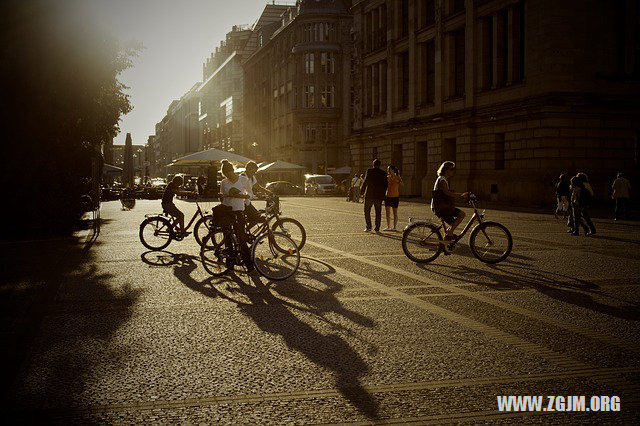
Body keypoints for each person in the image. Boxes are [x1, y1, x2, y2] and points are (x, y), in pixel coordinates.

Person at [220, 160, 257, 275]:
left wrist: (244, 196)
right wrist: (224, 195)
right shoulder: (224, 182)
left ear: (233, 170)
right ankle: (229, 267)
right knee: (228, 240)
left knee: (241, 239)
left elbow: (250, 195)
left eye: (230, 173)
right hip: (226, 212)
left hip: (238, 211)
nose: (229, 176)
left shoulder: (243, 180)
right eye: (226, 175)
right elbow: (221, 196)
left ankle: (250, 268)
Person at [431, 161, 468, 240]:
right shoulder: (442, 180)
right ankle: (449, 234)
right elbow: (447, 193)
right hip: (440, 207)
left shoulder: (443, 179)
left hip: (441, 206)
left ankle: (448, 234)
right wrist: (461, 195)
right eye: (451, 169)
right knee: (462, 214)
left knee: (453, 222)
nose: (453, 171)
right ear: (446, 170)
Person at [360, 159, 388, 232]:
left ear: (373, 164)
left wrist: (362, 192)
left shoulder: (369, 171)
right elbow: (385, 185)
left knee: (367, 211)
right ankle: (377, 228)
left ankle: (369, 227)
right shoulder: (383, 173)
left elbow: (365, 181)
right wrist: (383, 195)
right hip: (378, 196)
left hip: (369, 194)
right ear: (379, 165)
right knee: (378, 212)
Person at [243, 161, 272, 226]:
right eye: (253, 172)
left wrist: (269, 193)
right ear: (248, 169)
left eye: (255, 172)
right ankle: (245, 233)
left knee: (256, 216)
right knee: (257, 216)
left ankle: (247, 231)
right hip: (242, 203)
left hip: (247, 202)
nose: (254, 173)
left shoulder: (252, 178)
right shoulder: (242, 177)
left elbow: (258, 187)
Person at [383, 165, 403, 231]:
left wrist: (396, 180)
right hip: (388, 196)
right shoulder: (387, 177)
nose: (388, 171)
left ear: (393, 170)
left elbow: (402, 184)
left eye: (389, 169)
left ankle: (394, 227)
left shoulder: (398, 176)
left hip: (395, 196)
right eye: (388, 169)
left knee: (395, 213)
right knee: (387, 213)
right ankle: (388, 226)